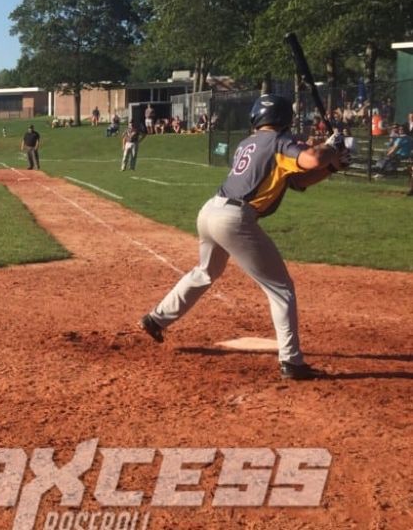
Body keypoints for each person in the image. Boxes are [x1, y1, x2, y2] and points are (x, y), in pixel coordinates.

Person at [139, 94, 346, 381]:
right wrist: (331, 148)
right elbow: (312, 159)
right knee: (281, 288)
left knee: (205, 272)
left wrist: (332, 164)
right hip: (234, 218)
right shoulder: (279, 141)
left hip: (210, 211)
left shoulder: (249, 142)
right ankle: (291, 361)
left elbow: (297, 180)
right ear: (285, 118)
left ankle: (156, 319)